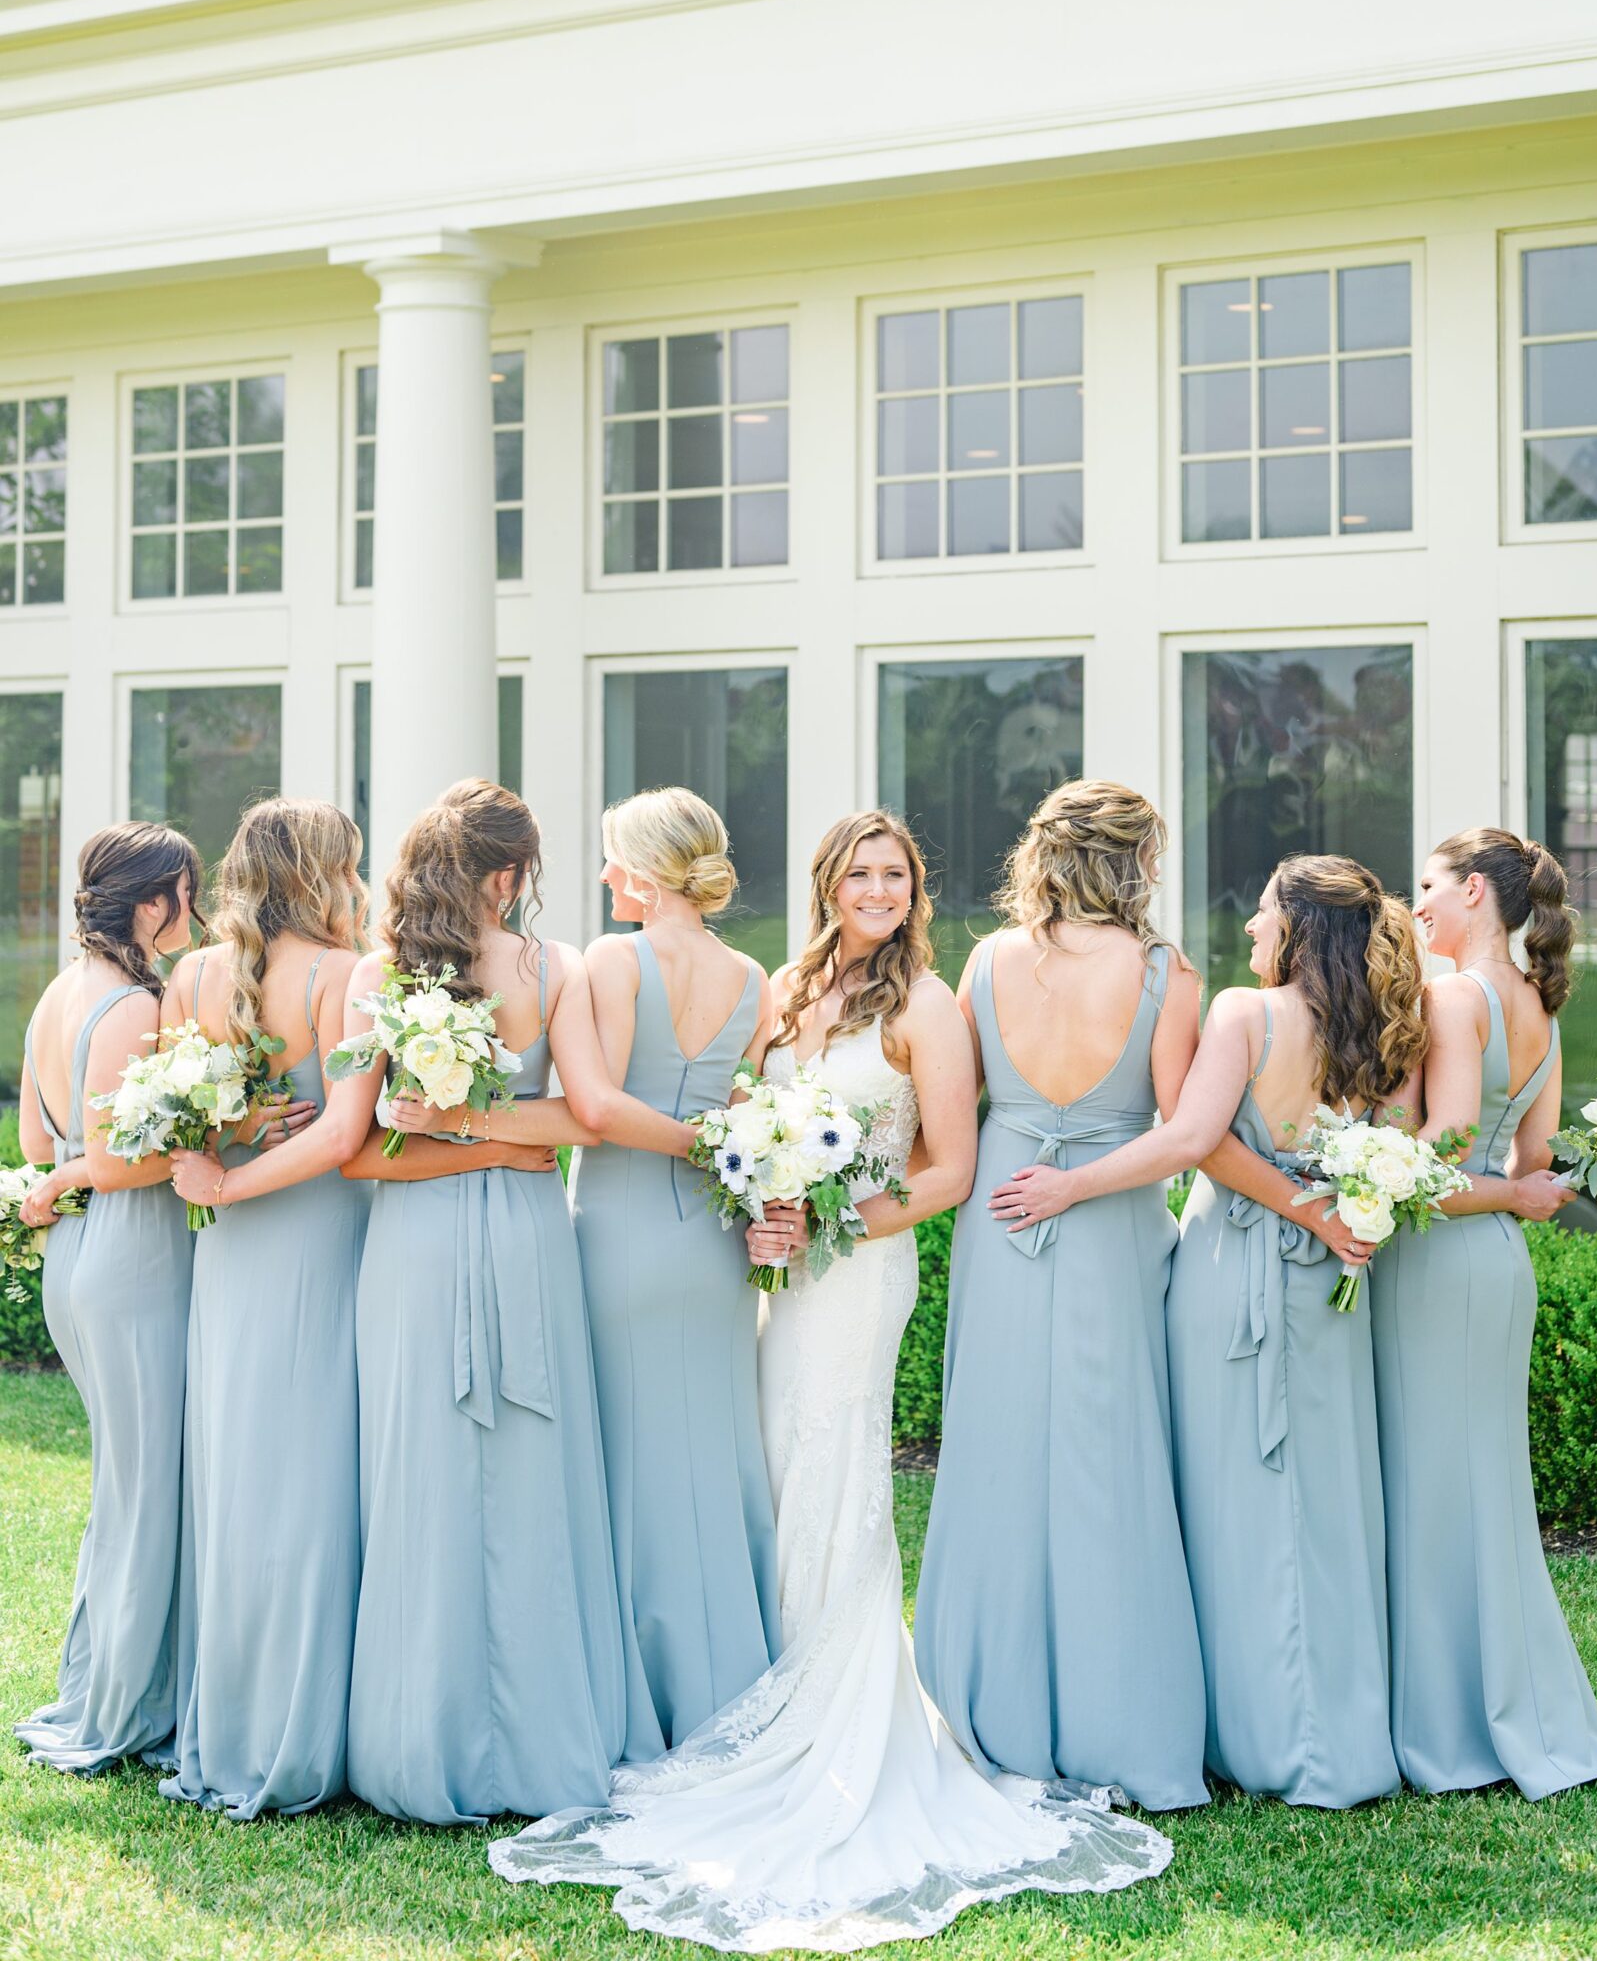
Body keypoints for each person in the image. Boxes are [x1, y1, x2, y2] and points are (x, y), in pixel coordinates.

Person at [490, 811, 1177, 1951]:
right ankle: (763, 1687)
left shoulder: (927, 1005)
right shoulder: (788, 988)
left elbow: (949, 1168)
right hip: (781, 1266)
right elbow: (751, 1132)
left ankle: (827, 1716)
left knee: (828, 1459)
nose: (878, 890)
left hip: (860, 1270)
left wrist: (839, 1219)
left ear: (915, 890)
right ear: (827, 883)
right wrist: (764, 1212)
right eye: (858, 873)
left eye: (895, 875)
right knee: (770, 1460)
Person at [169, 778, 641, 1825]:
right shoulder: (545, 966)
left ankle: (408, 1737)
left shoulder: (378, 972)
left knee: (410, 1474)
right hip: (523, 1231)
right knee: (523, 1469)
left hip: (414, 1246)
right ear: (511, 875)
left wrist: (457, 1124)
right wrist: (497, 1130)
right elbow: (582, 1121)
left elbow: (367, 1149)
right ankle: (530, 1734)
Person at [915, 780, 1208, 1812]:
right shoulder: (1168, 977)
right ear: (1133, 862)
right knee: (1107, 1460)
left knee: (997, 1448)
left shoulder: (987, 961)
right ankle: (1114, 1712)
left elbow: (939, 1107)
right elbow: (1182, 1128)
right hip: (1110, 1229)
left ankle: (984, 1702)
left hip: (1001, 1217)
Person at [1371, 828, 1597, 1796]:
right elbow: (1530, 1162)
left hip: (1436, 1260)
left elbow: (1420, 1171)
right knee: (1479, 1482)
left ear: (1473, 891)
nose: (1418, 904)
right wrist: (1512, 1193)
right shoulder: (1536, 1002)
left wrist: (1355, 1147)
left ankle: (1437, 1716)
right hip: (1496, 1266)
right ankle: (1506, 1698)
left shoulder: (1447, 995)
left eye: (1428, 885)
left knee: (1425, 1483)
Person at [1165, 856, 1422, 1807]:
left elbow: (1202, 1142)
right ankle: (1335, 1735)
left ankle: (1259, 1739)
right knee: (1323, 1497)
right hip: (1330, 1282)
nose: (1248, 932)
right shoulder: (1382, 1031)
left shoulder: (1240, 1013)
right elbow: (1398, 1155)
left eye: (1262, 913)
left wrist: (1305, 1212)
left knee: (1234, 1498)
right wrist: (1329, 1213)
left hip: (1232, 1267)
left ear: (1298, 929)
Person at [159, 798, 368, 1819]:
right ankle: (305, 1723)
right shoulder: (340, 974)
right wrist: (240, 1174)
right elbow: (341, 1137)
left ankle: (233, 1717)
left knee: (241, 1472)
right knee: (315, 1474)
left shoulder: (193, 975)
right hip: (314, 1230)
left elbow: (169, 1112)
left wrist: (228, 1141)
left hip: (229, 1250)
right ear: (325, 871)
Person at [573, 787, 782, 1759]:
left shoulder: (615, 959)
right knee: (710, 1449)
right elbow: (746, 1108)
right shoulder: (751, 976)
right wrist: (718, 1148)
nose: (606, 875)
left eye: (615, 858)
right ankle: (730, 1684)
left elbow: (598, 1106)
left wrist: (693, 1144)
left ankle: (632, 1687)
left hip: (619, 1226)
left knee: (624, 1453)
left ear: (649, 870)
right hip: (710, 1246)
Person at [15, 822, 201, 1772]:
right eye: (185, 891)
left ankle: (115, 1684)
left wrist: (55, 1188)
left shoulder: (56, 992)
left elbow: (39, 1148)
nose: (191, 910)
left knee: (127, 1481)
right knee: (145, 1484)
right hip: (134, 1255)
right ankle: (125, 1705)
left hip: (77, 1255)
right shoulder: (132, 1001)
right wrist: (230, 1134)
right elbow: (125, 1160)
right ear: (152, 900)